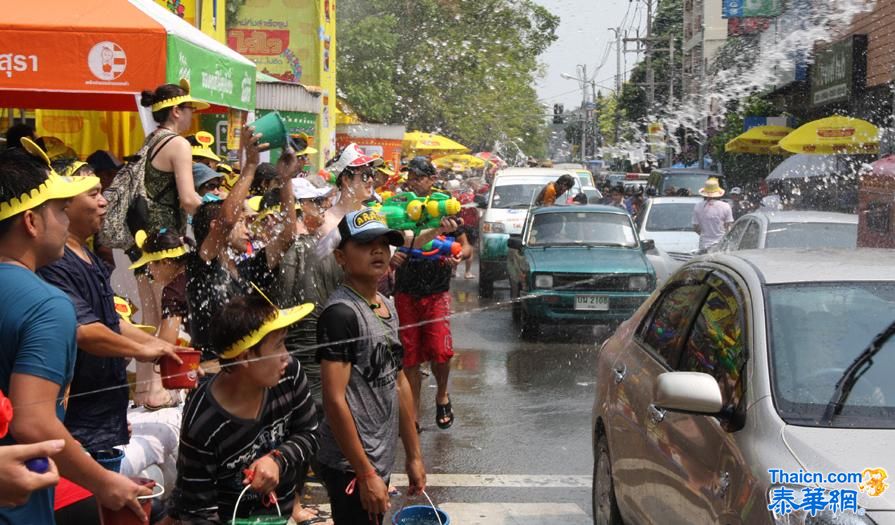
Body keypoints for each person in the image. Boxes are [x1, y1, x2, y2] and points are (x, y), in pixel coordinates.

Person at [0, 141, 151, 523]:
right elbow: (32, 421)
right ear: (31, 222)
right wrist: (103, 482)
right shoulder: (48, 305)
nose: (66, 219)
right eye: (58, 210)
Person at [37, 163, 181, 453]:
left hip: (105, 418)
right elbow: (85, 330)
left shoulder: (88, 255)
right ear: (66, 204)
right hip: (77, 424)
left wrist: (163, 348)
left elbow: (113, 321)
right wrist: (143, 350)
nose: (104, 201)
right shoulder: (55, 263)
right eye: (93, 194)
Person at [168, 294, 320, 523]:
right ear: (246, 356)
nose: (286, 357)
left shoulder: (289, 376)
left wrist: (277, 460)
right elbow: (198, 512)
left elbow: (310, 434)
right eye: (278, 345)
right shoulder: (203, 421)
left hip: (278, 516)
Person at [316, 209, 426, 524]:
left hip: (380, 455)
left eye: (383, 243)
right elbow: (334, 399)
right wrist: (364, 473)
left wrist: (414, 456)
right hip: (350, 463)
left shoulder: (386, 305)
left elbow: (399, 381)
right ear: (340, 257)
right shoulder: (340, 314)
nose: (378, 250)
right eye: (365, 244)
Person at [186, 127, 299, 364]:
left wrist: (286, 180)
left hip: (246, 366)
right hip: (213, 369)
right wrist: (250, 166)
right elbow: (227, 219)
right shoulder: (201, 264)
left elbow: (288, 236)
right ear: (216, 228)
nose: (247, 229)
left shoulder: (246, 269)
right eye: (241, 222)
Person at [393, 157, 472, 431]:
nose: (412, 181)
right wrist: (392, 256)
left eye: (417, 176)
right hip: (405, 289)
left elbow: (466, 246)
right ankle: (413, 412)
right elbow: (387, 238)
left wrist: (458, 258)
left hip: (437, 290)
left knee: (440, 351)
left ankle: (441, 394)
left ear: (431, 179)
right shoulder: (399, 203)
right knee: (410, 355)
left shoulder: (445, 205)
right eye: (409, 176)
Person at [318, 144, 383, 240]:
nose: (371, 180)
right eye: (365, 175)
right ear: (346, 180)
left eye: (372, 173)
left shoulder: (373, 215)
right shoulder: (327, 223)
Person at [692, 177, 734, 253]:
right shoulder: (726, 206)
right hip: (720, 246)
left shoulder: (698, 206)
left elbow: (695, 228)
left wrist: (705, 234)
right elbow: (729, 227)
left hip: (704, 245)